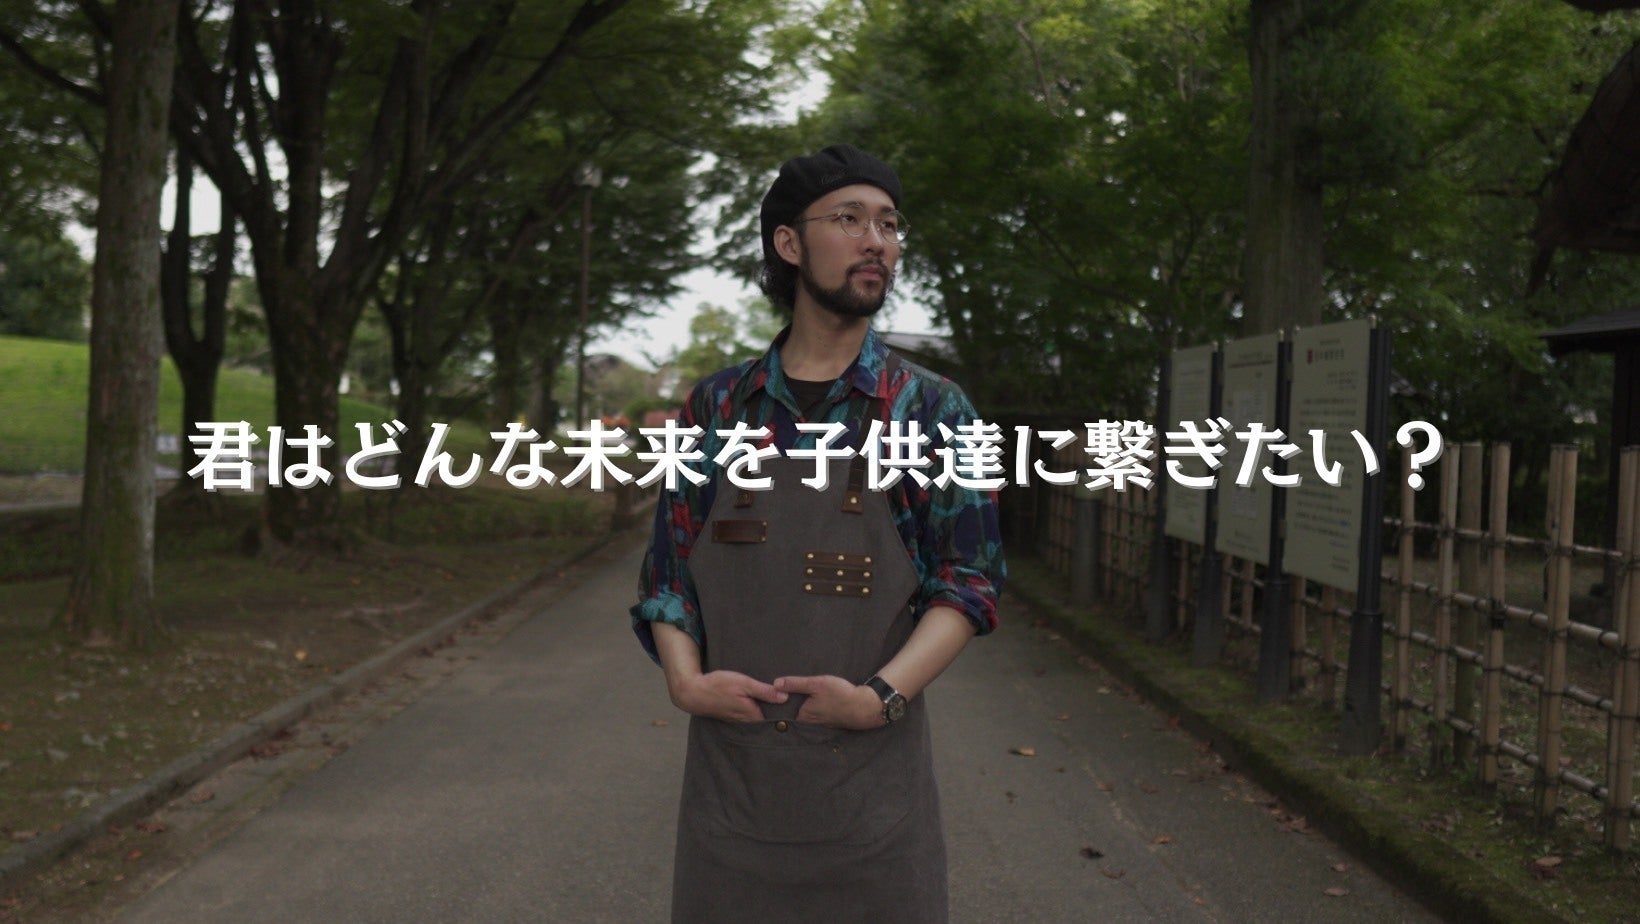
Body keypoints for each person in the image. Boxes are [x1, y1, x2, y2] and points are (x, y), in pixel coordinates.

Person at [630, 143, 1005, 923]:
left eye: (890, 224)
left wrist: (879, 698)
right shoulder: (719, 407)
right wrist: (685, 681)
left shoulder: (931, 410)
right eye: (850, 219)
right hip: (732, 795)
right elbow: (668, 573)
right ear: (789, 243)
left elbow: (968, 582)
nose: (878, 241)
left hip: (875, 804)